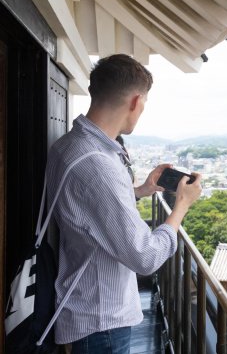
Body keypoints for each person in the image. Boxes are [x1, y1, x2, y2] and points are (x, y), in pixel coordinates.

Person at [45, 54, 202, 353]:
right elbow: (145, 256)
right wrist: (181, 205)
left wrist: (141, 190)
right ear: (135, 101)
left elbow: (88, 206)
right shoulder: (99, 165)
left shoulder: (70, 145)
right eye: (143, 103)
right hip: (102, 317)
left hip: (84, 304)